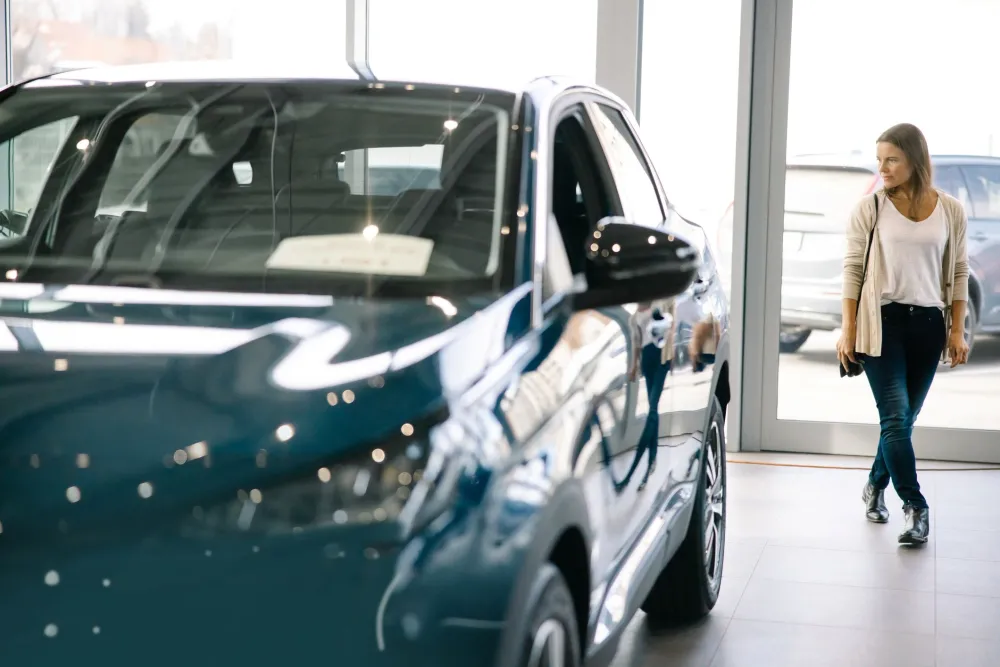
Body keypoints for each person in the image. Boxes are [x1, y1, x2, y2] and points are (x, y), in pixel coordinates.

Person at [836, 123, 970, 546]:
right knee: (895, 416)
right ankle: (916, 508)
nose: (883, 168)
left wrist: (957, 330)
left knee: (904, 419)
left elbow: (960, 272)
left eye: (891, 159)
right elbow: (853, 271)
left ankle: (875, 486)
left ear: (915, 159)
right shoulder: (870, 209)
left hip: (929, 325)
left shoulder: (950, 210)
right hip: (884, 324)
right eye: (879, 160)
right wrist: (848, 329)